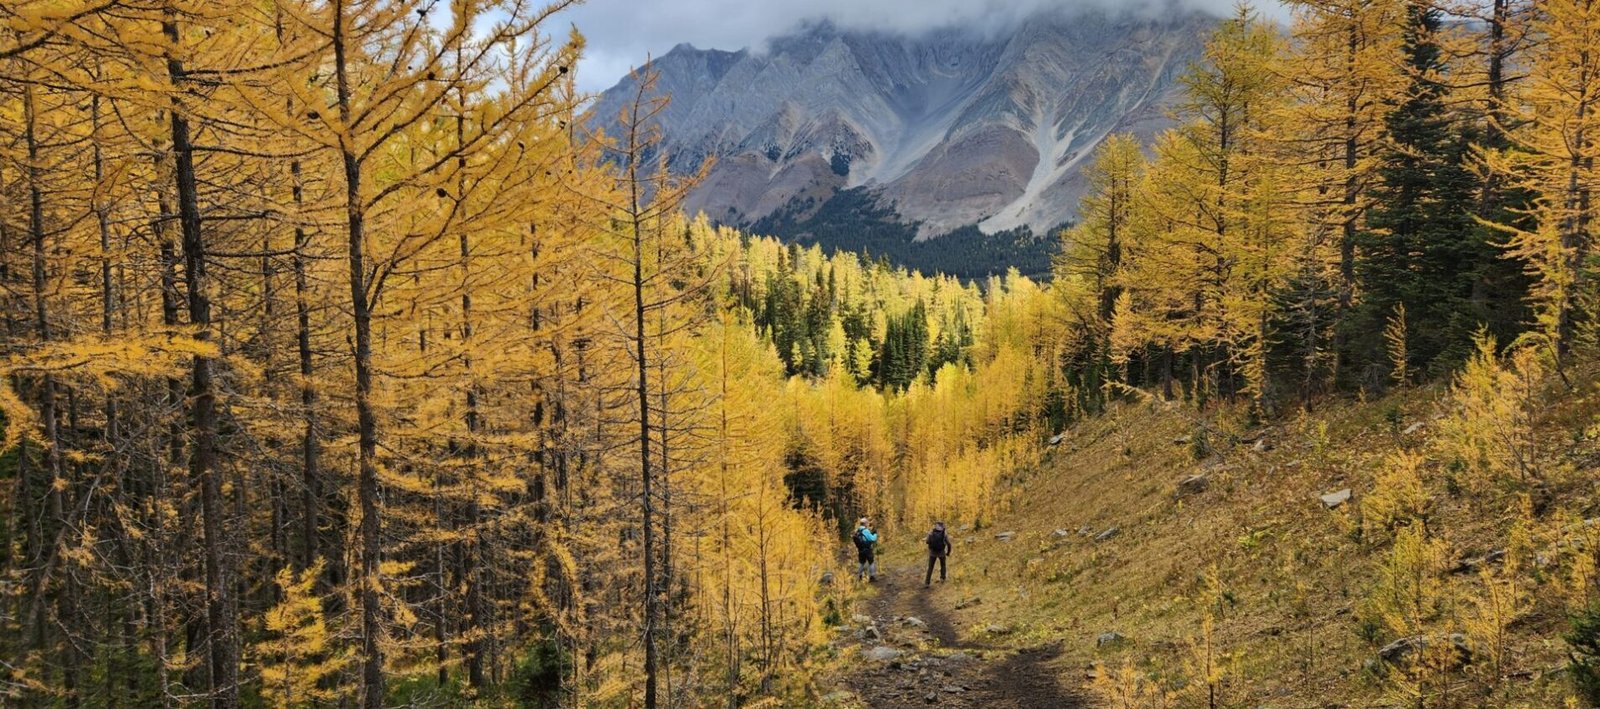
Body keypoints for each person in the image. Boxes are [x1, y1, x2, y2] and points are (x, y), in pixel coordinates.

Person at [924, 521, 951, 587]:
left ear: (936, 526)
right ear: (942, 526)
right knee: (943, 565)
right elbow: (949, 544)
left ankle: (927, 583)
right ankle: (942, 578)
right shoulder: (944, 533)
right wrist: (948, 552)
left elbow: (927, 541)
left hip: (932, 553)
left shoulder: (931, 532)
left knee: (930, 567)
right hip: (941, 552)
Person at [852, 517, 878, 582]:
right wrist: (875, 534)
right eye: (867, 523)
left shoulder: (857, 531)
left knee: (861, 563)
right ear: (865, 523)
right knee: (871, 562)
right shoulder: (865, 531)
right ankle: (872, 577)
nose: (868, 524)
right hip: (867, 550)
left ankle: (859, 577)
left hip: (860, 550)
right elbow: (872, 539)